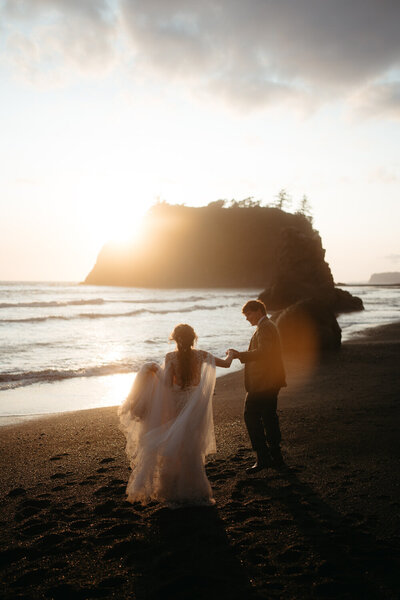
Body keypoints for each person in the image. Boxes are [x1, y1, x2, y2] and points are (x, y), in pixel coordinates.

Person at [119, 324, 233, 507]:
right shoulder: (202, 355)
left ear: (174, 338)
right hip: (195, 404)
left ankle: (172, 490)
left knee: (174, 444)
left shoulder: (171, 357)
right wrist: (232, 354)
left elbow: (166, 384)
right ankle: (197, 491)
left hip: (177, 402)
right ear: (193, 338)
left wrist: (155, 369)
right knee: (192, 447)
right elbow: (227, 364)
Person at [228, 300, 286, 474]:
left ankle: (263, 457)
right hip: (270, 380)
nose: (247, 319)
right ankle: (276, 457)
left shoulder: (266, 327)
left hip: (264, 382)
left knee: (251, 416)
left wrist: (240, 355)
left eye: (249, 314)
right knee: (269, 417)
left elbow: (265, 352)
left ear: (259, 311)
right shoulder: (267, 326)